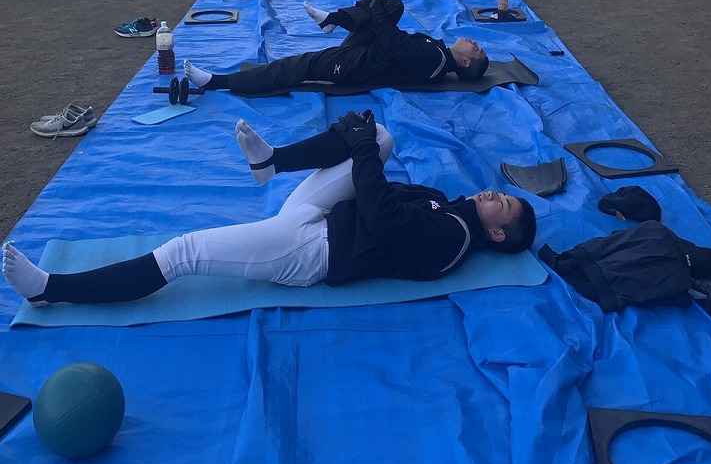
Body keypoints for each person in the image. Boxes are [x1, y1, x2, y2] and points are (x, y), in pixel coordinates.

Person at [2, 111, 537, 306]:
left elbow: (383, 217)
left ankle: (51, 290)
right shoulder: (447, 206)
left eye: (504, 206)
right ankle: (272, 162)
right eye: (503, 192)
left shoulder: (452, 240)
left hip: (309, 251)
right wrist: (360, 145)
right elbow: (379, 192)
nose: (495, 195)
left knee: (182, 253)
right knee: (381, 137)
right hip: (321, 219)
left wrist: (358, 154)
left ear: (497, 235)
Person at [183, 0, 489, 95]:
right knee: (394, 5)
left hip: (357, 65)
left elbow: (393, 42)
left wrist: (375, 10)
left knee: (299, 65)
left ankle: (217, 82)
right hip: (371, 50)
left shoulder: (434, 60)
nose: (473, 41)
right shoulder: (437, 51)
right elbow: (390, 38)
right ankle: (332, 19)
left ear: (464, 62)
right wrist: (378, 8)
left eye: (475, 49)